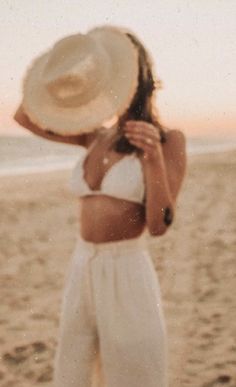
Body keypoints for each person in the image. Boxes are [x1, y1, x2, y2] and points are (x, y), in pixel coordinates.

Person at [14, 25, 187, 387]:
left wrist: (153, 158)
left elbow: (159, 225)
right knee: (73, 369)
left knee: (134, 371)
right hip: (83, 266)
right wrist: (64, 67)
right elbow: (25, 116)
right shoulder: (94, 134)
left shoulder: (169, 141)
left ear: (137, 80)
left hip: (126, 269)